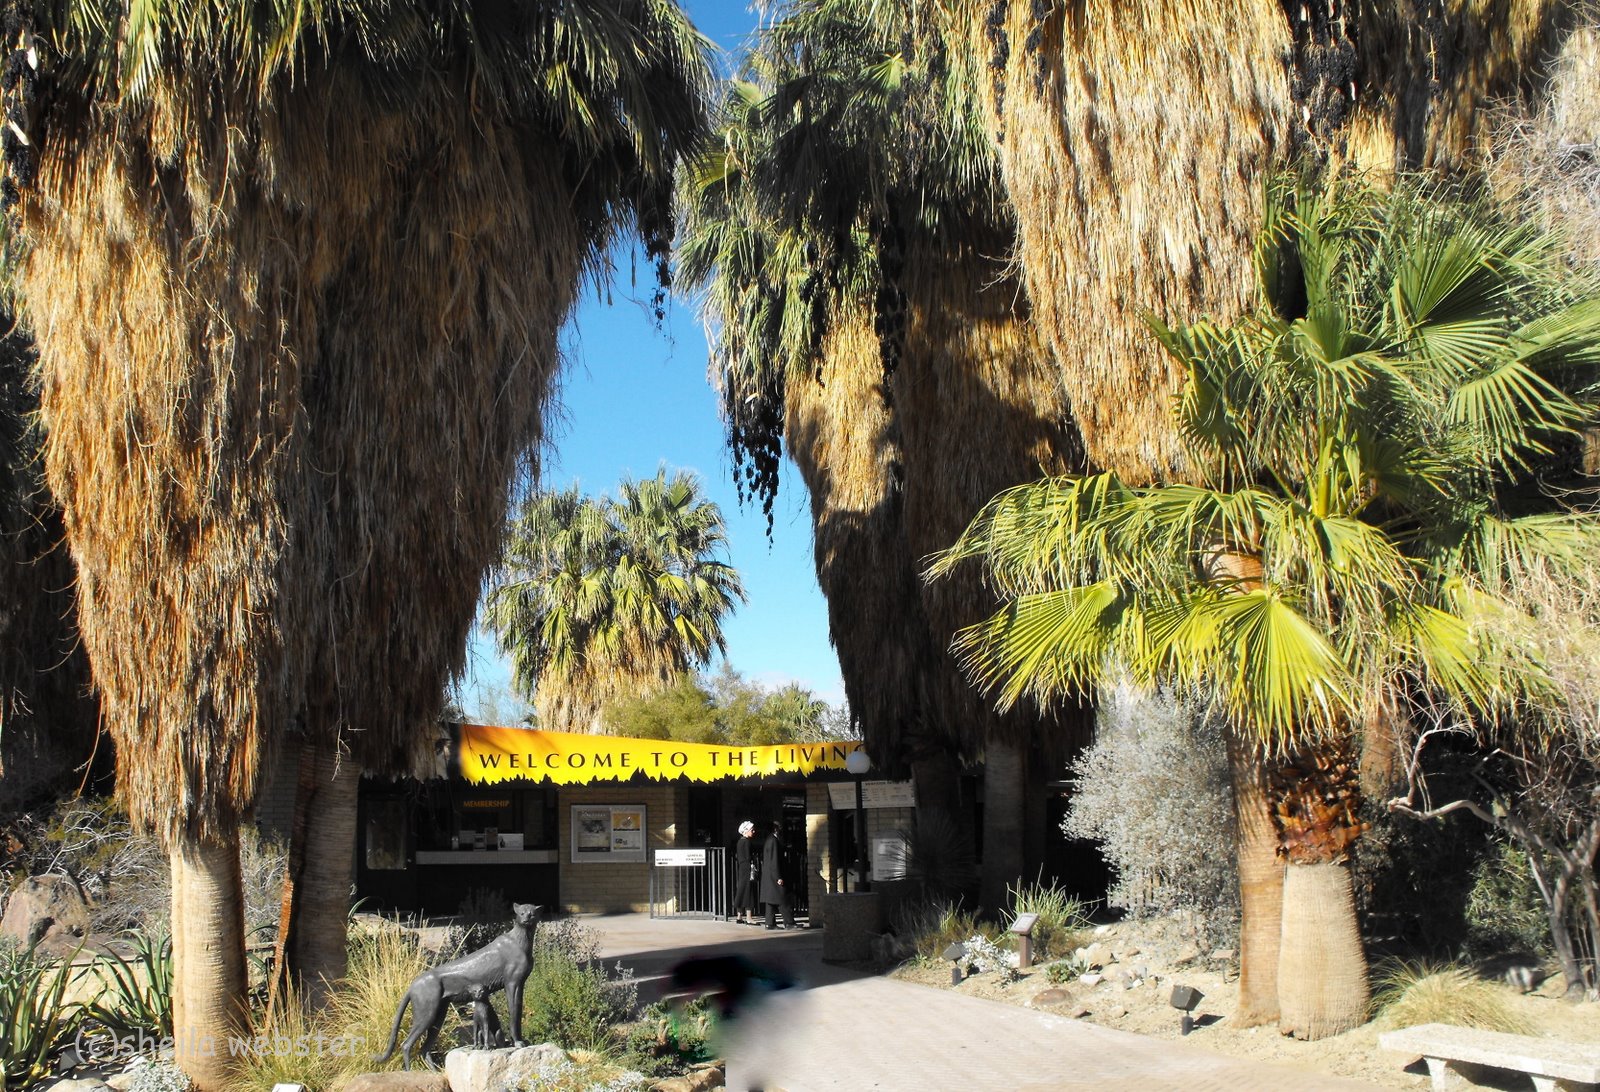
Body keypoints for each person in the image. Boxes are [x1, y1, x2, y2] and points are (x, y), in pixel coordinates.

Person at [759, 819, 797, 930]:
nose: (781, 829)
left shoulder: (769, 840)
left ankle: (769, 923)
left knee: (770, 900)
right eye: (779, 827)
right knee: (782, 898)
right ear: (775, 829)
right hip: (774, 875)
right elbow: (774, 860)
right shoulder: (773, 841)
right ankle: (789, 922)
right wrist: (778, 877)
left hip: (769, 876)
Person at [732, 820, 759, 924]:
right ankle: (749, 917)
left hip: (741, 868)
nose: (753, 831)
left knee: (741, 890)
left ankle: (739, 915)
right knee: (748, 891)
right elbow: (748, 857)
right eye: (752, 830)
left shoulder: (740, 841)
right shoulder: (747, 842)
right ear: (746, 830)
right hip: (747, 867)